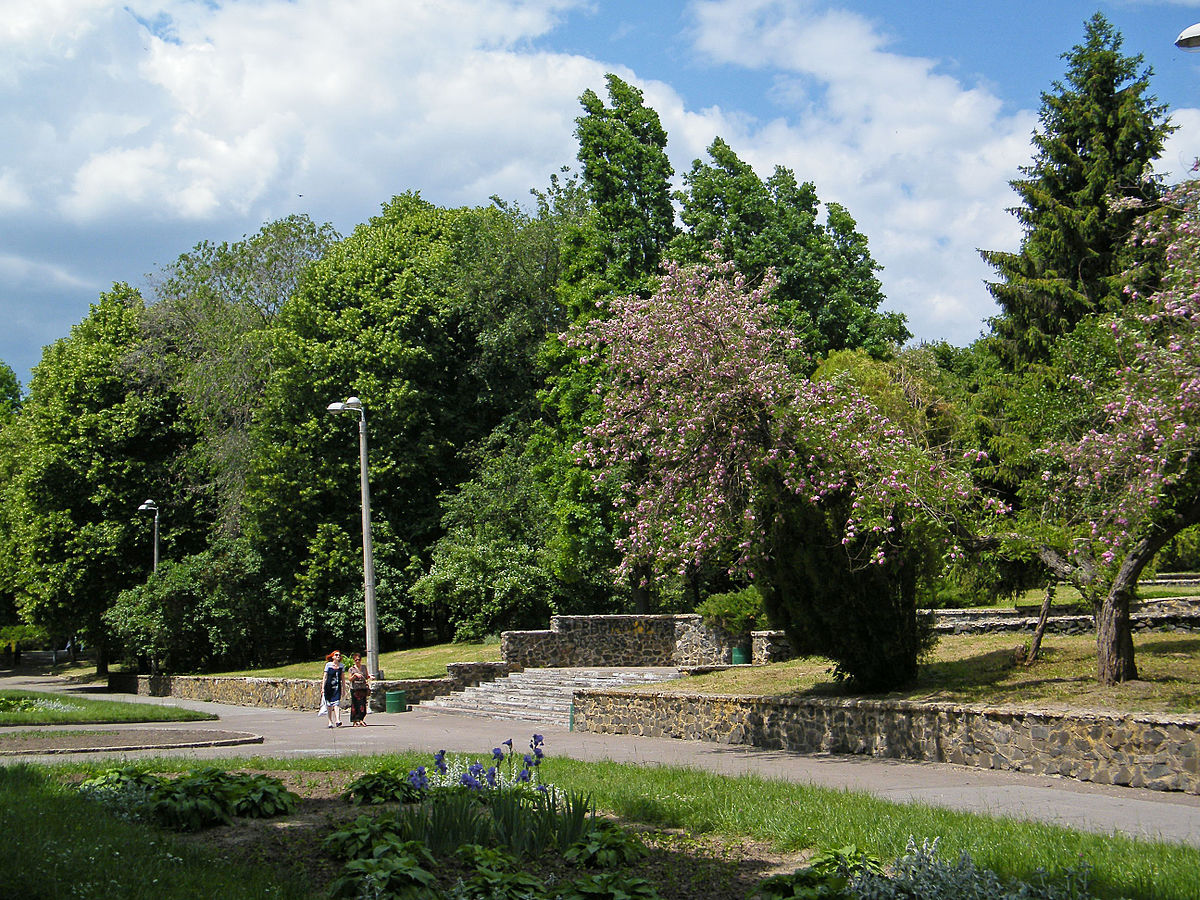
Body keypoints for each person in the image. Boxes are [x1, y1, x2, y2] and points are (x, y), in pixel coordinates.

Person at [321, 650, 345, 728]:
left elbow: (343, 679)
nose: (338, 656)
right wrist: (322, 688)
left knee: (336, 703)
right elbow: (325, 677)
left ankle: (338, 720)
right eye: (336, 655)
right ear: (332, 657)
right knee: (329, 705)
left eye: (339, 655)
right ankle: (330, 721)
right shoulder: (328, 665)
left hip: (337, 687)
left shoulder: (341, 666)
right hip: (328, 687)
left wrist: (344, 689)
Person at [347, 652, 372, 726]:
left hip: (363, 688)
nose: (357, 661)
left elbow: (366, 676)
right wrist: (355, 675)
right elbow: (350, 679)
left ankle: (361, 719)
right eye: (356, 660)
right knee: (355, 705)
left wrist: (370, 677)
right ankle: (355, 720)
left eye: (359, 659)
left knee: (362, 705)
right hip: (355, 689)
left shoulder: (364, 667)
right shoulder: (351, 669)